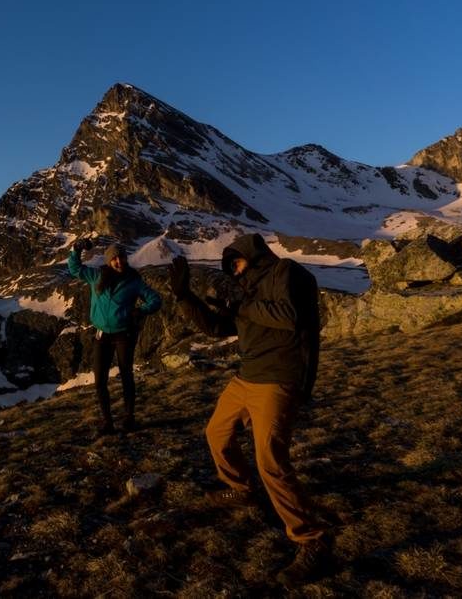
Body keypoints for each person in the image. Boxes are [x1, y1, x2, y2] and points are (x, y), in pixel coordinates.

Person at [167, 233, 331, 588]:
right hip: (247, 377)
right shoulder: (248, 292)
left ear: (253, 256)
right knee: (216, 434)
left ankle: (311, 538)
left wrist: (239, 305)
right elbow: (216, 327)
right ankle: (240, 489)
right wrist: (185, 297)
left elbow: (289, 315)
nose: (235, 273)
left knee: (271, 460)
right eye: (230, 269)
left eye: (236, 264)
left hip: (279, 378)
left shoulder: (287, 273)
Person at [68, 240, 162, 437]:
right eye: (115, 259)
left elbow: (155, 299)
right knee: (100, 379)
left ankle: (129, 417)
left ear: (126, 258)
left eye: (122, 257)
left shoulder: (133, 280)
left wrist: (140, 311)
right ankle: (107, 421)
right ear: (109, 261)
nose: (119, 261)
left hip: (124, 334)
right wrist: (76, 249)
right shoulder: (96, 276)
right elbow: (75, 269)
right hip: (102, 334)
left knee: (126, 375)